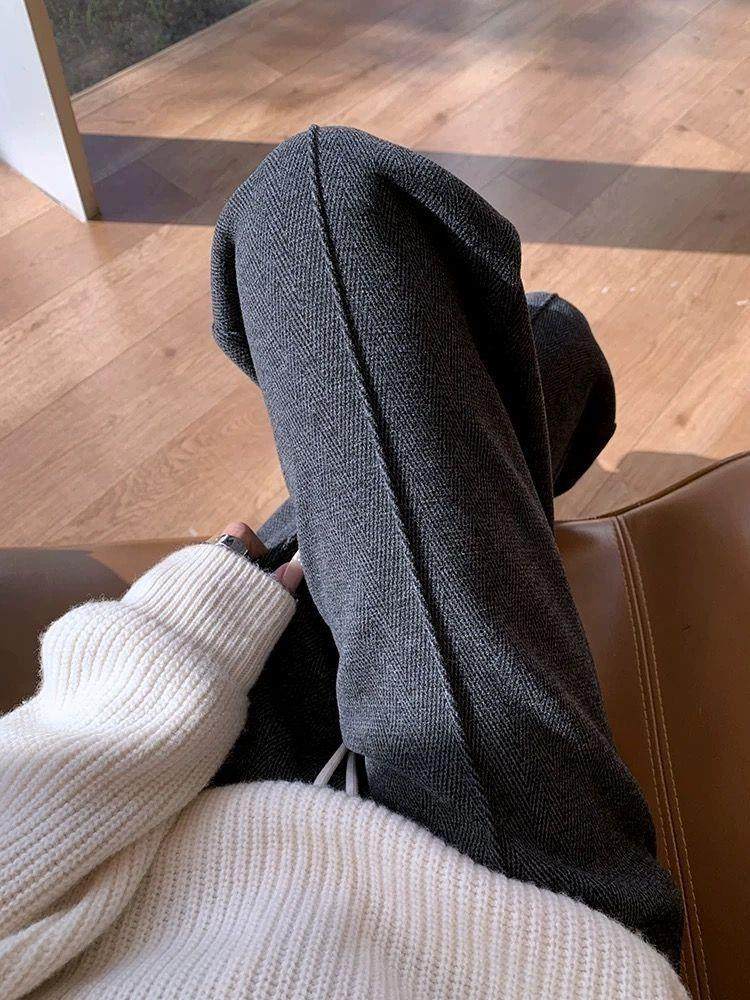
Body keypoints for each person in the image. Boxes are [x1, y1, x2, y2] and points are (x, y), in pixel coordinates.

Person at [0, 126, 686, 999]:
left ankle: (544, 365)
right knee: (314, 201)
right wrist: (177, 635)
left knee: (517, 348)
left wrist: (191, 634)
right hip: (504, 937)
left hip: (211, 841)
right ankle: (541, 361)